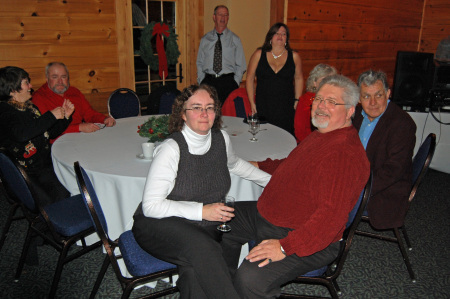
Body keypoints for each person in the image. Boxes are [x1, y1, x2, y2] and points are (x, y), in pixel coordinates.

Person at [221, 74, 370, 299]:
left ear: (350, 111)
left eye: (332, 102)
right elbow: (293, 164)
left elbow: (330, 219)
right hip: (271, 215)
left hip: (303, 235)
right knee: (220, 224)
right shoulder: (323, 135)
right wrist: (259, 164)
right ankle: (225, 288)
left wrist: (284, 247)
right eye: (319, 99)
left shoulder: (343, 155)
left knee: (250, 280)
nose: (321, 106)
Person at [132, 84, 271, 299]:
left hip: (203, 223)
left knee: (194, 272)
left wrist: (271, 181)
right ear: (183, 114)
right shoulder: (171, 148)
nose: (204, 114)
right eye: (196, 107)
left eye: (210, 107)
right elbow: (151, 207)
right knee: (205, 248)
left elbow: (234, 164)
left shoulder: (221, 138)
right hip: (159, 223)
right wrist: (202, 211)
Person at [0, 66, 74, 207]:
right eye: (26, 83)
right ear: (12, 90)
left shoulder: (29, 107)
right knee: (62, 194)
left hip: (44, 164)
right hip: (26, 174)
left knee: (74, 178)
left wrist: (66, 118)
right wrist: (51, 116)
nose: (30, 86)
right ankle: (52, 225)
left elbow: (47, 133)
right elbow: (21, 134)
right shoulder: (5, 112)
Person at [354, 70, 416, 230]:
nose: (373, 102)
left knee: (328, 197)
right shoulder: (356, 116)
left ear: (388, 94)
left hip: (383, 189)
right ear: (359, 98)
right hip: (356, 177)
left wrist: (356, 189)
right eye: (366, 96)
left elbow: (393, 171)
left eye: (379, 95)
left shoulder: (402, 125)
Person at [32, 62, 115, 143]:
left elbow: (89, 114)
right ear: (47, 79)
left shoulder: (74, 92)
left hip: (81, 138)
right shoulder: (39, 97)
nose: (60, 81)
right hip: (57, 144)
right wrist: (79, 127)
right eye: (55, 77)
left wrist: (104, 119)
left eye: (63, 77)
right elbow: (48, 131)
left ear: (68, 78)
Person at [246, 22, 303, 136]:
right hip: (263, 104)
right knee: (264, 136)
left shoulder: (294, 56)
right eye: (277, 33)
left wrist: (297, 100)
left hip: (285, 106)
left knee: (285, 137)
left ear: (287, 38)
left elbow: (299, 78)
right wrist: (252, 102)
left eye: (284, 34)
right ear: (271, 37)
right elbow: (249, 78)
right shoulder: (258, 54)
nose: (280, 36)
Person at [196, 5, 246, 106]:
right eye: (220, 15)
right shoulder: (205, 39)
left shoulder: (235, 39)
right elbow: (200, 62)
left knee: (227, 115)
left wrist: (235, 82)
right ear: (214, 17)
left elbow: (241, 64)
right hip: (208, 82)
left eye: (226, 15)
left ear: (228, 18)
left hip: (228, 83)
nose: (223, 18)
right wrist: (202, 80)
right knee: (209, 114)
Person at [293, 63, 337, 143]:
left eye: (330, 81)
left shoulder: (337, 100)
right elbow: (299, 130)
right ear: (314, 83)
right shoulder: (305, 101)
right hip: (308, 142)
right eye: (323, 81)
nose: (327, 85)